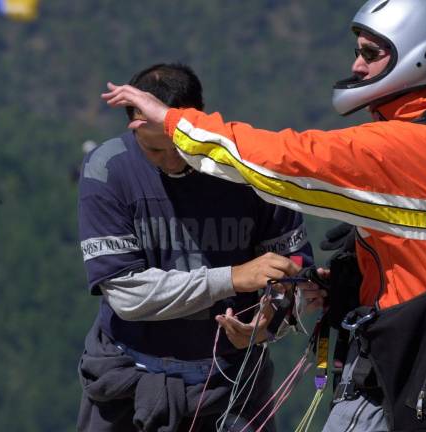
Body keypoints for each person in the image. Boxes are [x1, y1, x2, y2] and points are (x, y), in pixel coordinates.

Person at [102, 1, 426, 430]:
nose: (356, 65)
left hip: (400, 379)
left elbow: (283, 162)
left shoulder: (401, 145)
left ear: (422, 56)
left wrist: (171, 121)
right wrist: (348, 287)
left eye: (371, 54)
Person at [77, 63, 316, 432]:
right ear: (134, 126)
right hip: (127, 380)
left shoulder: (253, 165)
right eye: (155, 150)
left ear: (197, 121)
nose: (172, 161)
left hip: (230, 383)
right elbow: (127, 296)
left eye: (179, 145)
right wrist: (233, 278)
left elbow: (297, 272)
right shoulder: (108, 169)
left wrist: (271, 321)